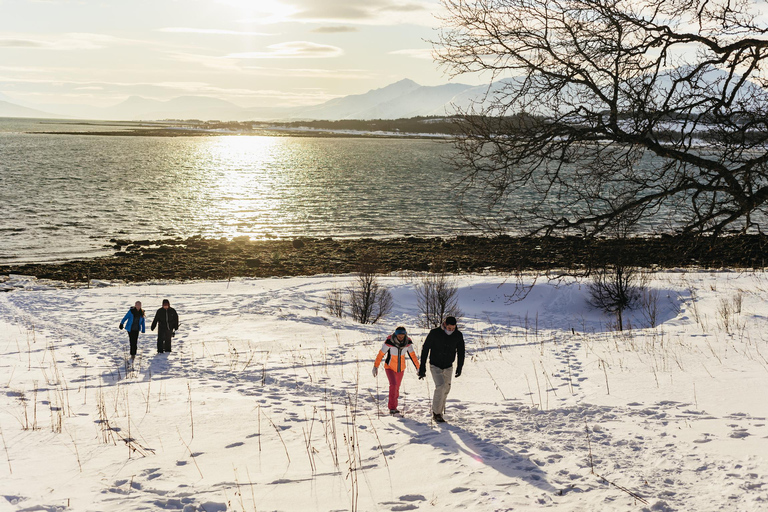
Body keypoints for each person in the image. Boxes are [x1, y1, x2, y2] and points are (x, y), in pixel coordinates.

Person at [418, 316, 465, 423]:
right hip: (435, 365)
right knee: (440, 386)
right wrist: (422, 367)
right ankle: (436, 413)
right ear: (444, 324)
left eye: (453, 328)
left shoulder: (458, 335)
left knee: (446, 388)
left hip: (448, 365)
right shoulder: (435, 333)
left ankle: (440, 410)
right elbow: (425, 349)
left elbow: (461, 351)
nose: (451, 331)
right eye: (449, 328)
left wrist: (460, 366)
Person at [373, 326, 420, 415]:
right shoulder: (389, 342)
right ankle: (392, 408)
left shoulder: (408, 343)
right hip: (389, 367)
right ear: (396, 334)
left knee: (397, 387)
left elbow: (413, 356)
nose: (401, 337)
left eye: (402, 335)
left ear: (405, 335)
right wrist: (376, 366)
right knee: (393, 385)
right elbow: (381, 354)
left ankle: (395, 405)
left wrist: (418, 367)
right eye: (399, 335)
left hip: (400, 368)